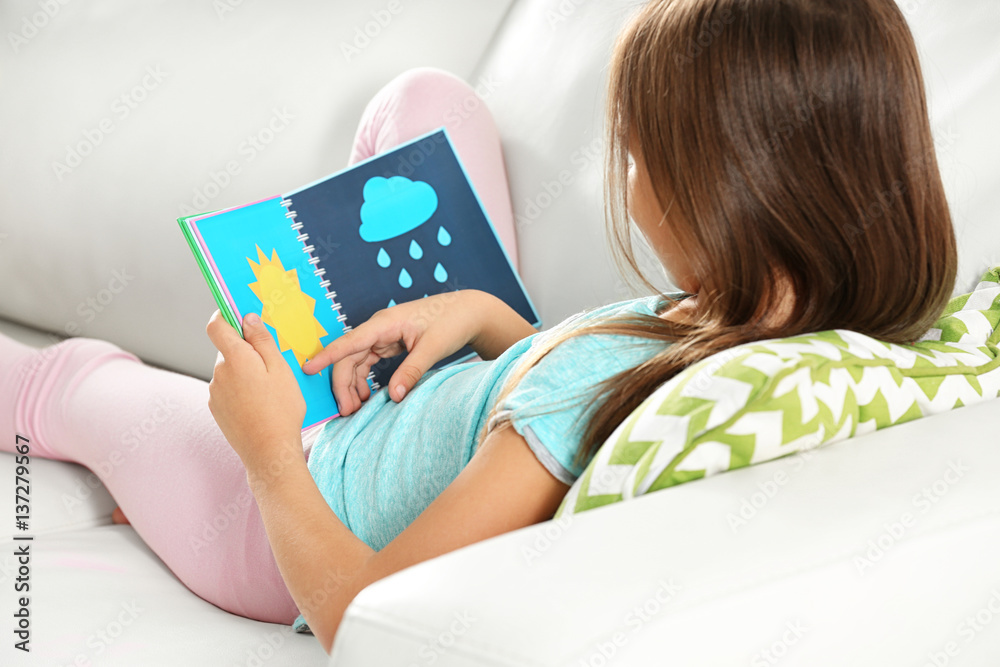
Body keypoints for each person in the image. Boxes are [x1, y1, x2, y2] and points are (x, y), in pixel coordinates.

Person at [0, 0, 956, 655]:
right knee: (431, 103)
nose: (626, 180)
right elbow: (577, 384)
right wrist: (492, 321)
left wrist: (265, 453)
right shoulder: (765, 313)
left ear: (720, 190)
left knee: (75, 383)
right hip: (429, 387)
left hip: (287, 522)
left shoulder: (598, 399)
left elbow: (367, 615)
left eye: (633, 157)